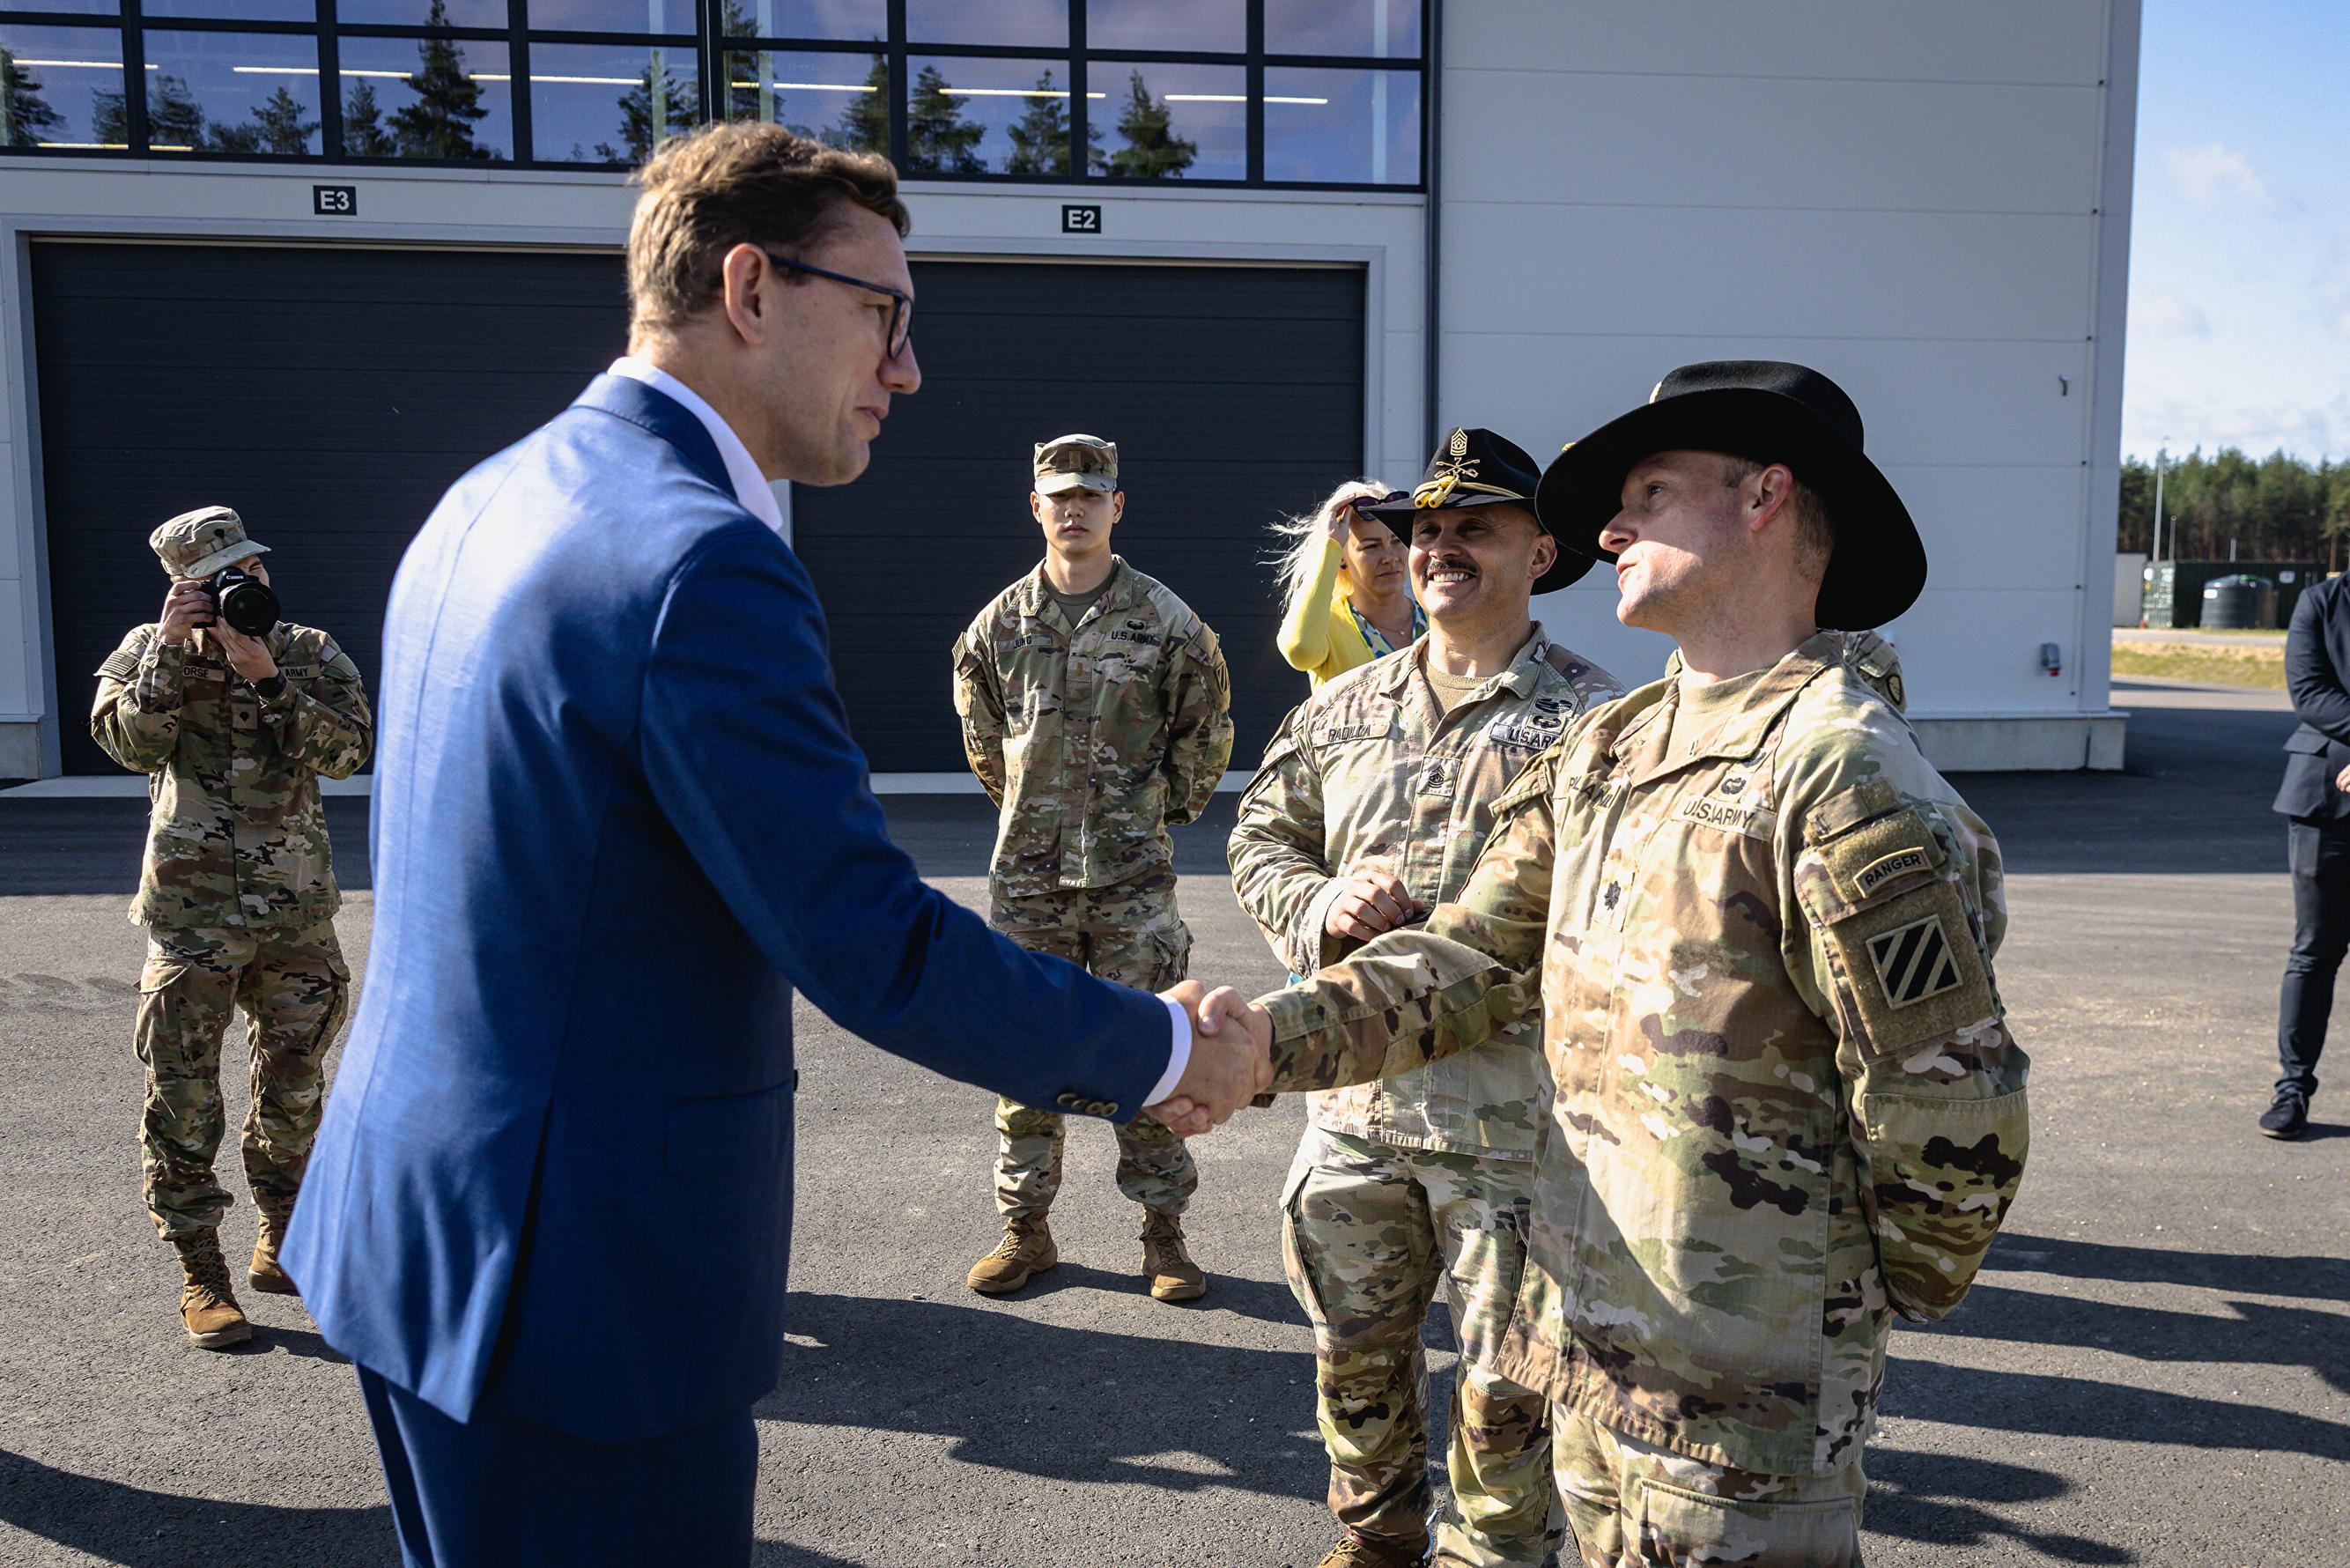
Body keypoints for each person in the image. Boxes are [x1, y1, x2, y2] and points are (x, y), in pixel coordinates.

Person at [282, 124, 1260, 1568]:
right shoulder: (700, 561)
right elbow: (862, 936)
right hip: (582, 1294)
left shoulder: (486, 494)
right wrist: (1163, 1050)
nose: (906, 369)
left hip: (414, 1236)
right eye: (882, 314)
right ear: (750, 290)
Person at [1195, 362, 2031, 1567]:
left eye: (1648, 494)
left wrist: (1817, 1306)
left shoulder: (1842, 773)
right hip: (1587, 1350)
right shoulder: (1611, 747)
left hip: (1740, 1405)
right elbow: (1469, 957)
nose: (1608, 531)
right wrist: (1261, 1044)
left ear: (1765, 498)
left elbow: (1948, 1112)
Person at [1230, 428, 1620, 1568]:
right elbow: (1259, 838)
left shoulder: (1597, 722)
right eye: (1427, 531)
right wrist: (1319, 903)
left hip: (1520, 1128)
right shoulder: (1341, 710)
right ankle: (1378, 1537)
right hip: (1356, 1115)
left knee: (1512, 1393)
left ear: (1539, 554)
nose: (1440, 548)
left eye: (1474, 530)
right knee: (1353, 1357)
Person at [953, 433, 1235, 1301]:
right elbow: (985, 742)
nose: (1073, 509)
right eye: (1059, 496)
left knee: (1148, 1054)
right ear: (1035, 508)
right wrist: (1034, 815)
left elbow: (1206, 731)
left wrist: (1149, 816)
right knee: (1023, 1060)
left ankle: (1164, 1234)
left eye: (1089, 495)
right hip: (1029, 885)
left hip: (1131, 884)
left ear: (1117, 506)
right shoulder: (998, 625)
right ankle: (1025, 1230)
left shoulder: (1166, 621)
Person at [89, 506, 372, 1350]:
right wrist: (171, 652)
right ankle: (201, 1272)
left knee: (295, 1085)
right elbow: (132, 747)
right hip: (192, 915)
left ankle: (282, 1237)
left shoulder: (307, 650)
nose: (243, 583)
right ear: (182, 587)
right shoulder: (145, 651)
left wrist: (270, 679)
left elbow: (350, 753)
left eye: (249, 567)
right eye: (218, 577)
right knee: (181, 1093)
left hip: (293, 913)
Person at [2266, 570, 2350, 1138]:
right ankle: (2292, 1091)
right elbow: (2311, 693)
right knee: (2315, 952)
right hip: (2325, 801)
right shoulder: (2321, 603)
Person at [1275, 479, 1426, 687]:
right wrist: (1329, 546)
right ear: (1341, 558)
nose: (1390, 557)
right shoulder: (1328, 626)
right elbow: (1300, 650)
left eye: (1397, 541)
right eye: (1371, 546)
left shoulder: (1436, 618)